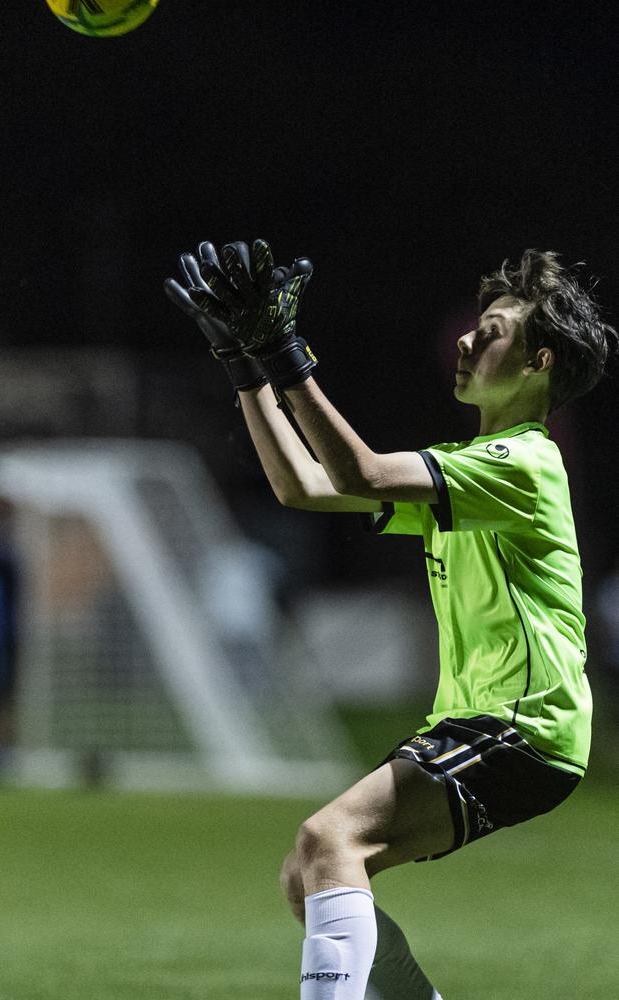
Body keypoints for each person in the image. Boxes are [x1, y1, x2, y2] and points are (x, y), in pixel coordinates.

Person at [165, 242, 618, 1000]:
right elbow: (304, 485)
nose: (469, 340)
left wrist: (281, 350)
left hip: (523, 725)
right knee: (308, 875)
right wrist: (244, 365)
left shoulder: (521, 462)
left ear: (540, 363)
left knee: (327, 839)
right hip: (488, 721)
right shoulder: (474, 467)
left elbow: (360, 472)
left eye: (495, 330)